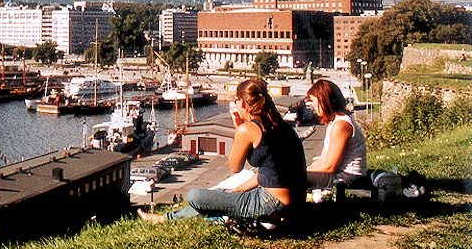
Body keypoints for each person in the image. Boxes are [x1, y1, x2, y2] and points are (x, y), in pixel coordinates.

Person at [139, 78, 306, 223]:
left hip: (271, 202)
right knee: (220, 195)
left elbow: (235, 167)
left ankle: (166, 219)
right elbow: (271, 173)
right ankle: (165, 219)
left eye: (235, 101)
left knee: (195, 196)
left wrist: (238, 128)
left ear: (241, 102)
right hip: (295, 201)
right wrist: (238, 190)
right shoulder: (282, 125)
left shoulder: (248, 129)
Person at [305, 79, 367, 189]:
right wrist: (306, 169)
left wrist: (300, 174)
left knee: (290, 180)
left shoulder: (341, 125)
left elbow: (330, 167)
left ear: (324, 101)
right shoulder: (334, 122)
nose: (313, 107)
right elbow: (323, 159)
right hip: (341, 174)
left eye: (314, 102)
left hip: (348, 177)